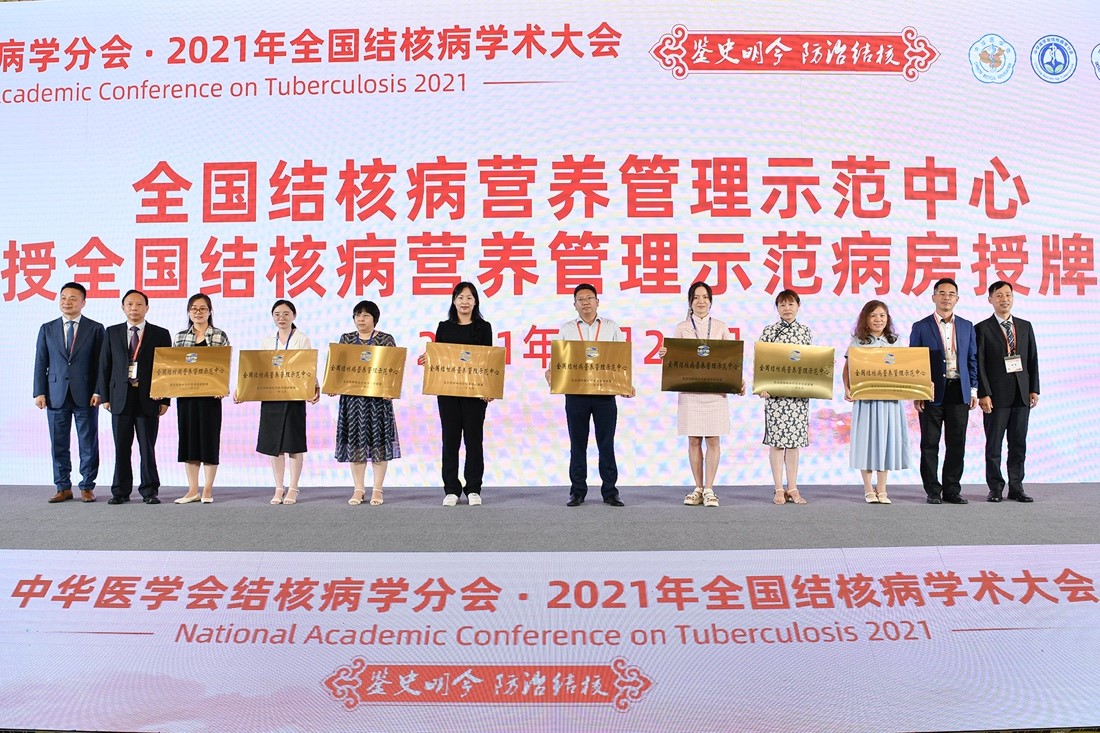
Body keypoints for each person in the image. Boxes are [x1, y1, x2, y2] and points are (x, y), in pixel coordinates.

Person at [546, 283, 634, 507]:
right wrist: (551, 373)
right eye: (581, 299)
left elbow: (621, 360)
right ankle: (577, 491)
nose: (585, 302)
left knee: (606, 443)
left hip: (605, 394)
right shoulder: (566, 329)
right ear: (574, 304)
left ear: (597, 302)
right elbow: (558, 362)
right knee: (578, 444)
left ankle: (610, 492)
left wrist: (626, 384)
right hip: (576, 394)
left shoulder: (611, 327)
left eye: (589, 298)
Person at [657, 281, 738, 508]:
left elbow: (731, 359)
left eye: (705, 297)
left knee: (713, 439)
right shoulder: (682, 327)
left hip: (715, 392)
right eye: (696, 297)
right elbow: (675, 360)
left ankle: (710, 489)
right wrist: (666, 355)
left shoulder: (721, 326)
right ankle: (698, 488)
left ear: (711, 301)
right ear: (690, 302)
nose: (701, 301)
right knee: (693, 440)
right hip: (690, 391)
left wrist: (737, 382)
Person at [96, 289, 172, 505]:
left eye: (139, 304)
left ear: (147, 308)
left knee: (147, 447)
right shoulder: (111, 332)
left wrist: (165, 399)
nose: (134, 308)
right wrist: (105, 397)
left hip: (149, 398)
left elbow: (167, 368)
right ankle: (120, 491)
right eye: (129, 304)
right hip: (119, 398)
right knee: (121, 447)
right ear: (123, 307)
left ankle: (149, 491)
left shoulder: (160, 333)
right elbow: (104, 365)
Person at [420, 282, 493, 507]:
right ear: (454, 301)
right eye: (460, 297)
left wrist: (488, 389)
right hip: (448, 392)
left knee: (474, 441)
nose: (465, 302)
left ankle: (473, 488)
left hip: (475, 394)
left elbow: (488, 360)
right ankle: (451, 489)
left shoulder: (483, 327)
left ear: (475, 301)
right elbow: (439, 357)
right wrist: (429, 358)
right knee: (450, 440)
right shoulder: (444, 327)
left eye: (469, 297)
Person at [34, 282, 105, 503]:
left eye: (73, 298)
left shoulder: (95, 328)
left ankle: (87, 486)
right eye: (63, 298)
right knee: (58, 444)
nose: (67, 302)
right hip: (55, 395)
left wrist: (98, 391)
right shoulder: (47, 328)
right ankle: (63, 486)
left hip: (86, 395)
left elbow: (101, 364)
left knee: (88, 443)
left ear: (83, 303)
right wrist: (39, 392)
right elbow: (41, 362)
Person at [908, 278, 977, 505]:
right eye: (942, 293)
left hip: (959, 390)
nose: (946, 297)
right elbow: (914, 362)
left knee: (957, 443)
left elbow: (972, 359)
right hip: (931, 392)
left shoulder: (967, 326)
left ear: (957, 299)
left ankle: (952, 490)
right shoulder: (921, 326)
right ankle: (932, 490)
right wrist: (918, 392)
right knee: (930, 443)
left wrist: (973, 390)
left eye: (951, 294)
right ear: (934, 297)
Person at [245, 299, 319, 505]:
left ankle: (293, 487)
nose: (281, 318)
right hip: (272, 397)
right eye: (277, 314)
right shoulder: (267, 340)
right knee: (274, 445)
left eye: (286, 314)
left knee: (294, 444)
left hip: (294, 397)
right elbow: (259, 368)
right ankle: (279, 487)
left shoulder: (302, 339)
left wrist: (314, 387)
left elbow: (309, 366)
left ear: (294, 316)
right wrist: (244, 388)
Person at [332, 300, 401, 506]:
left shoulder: (386, 339)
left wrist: (391, 390)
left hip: (378, 402)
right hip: (353, 402)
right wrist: (333, 385)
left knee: (379, 446)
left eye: (366, 315)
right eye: (357, 315)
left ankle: (377, 489)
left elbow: (393, 369)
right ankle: (359, 489)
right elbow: (338, 368)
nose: (361, 319)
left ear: (374, 318)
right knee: (355, 445)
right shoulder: (346, 339)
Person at [842, 300, 911, 504]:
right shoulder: (858, 341)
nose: (878, 319)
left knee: (885, 442)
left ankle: (882, 489)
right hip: (866, 402)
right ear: (865, 319)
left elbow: (905, 368)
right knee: (867, 442)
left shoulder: (895, 341)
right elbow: (847, 369)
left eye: (882, 315)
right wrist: (847, 388)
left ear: (888, 318)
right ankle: (867, 488)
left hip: (890, 402)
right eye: (873, 315)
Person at [976, 281, 1039, 503]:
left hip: (1022, 394)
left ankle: (1016, 487)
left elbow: (1032, 359)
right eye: (999, 295)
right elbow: (979, 364)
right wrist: (983, 393)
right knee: (994, 445)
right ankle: (995, 488)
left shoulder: (1025, 326)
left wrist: (1034, 389)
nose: (1005, 299)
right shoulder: (982, 328)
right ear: (990, 300)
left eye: (1008, 295)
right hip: (995, 397)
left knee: (1018, 444)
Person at [172, 294, 230, 504]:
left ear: (209, 311)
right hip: (186, 397)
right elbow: (173, 367)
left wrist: (222, 387)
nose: (198, 312)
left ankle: (207, 489)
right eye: (194, 308)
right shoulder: (180, 337)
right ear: (189, 312)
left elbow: (224, 365)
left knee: (209, 441)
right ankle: (192, 490)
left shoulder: (219, 335)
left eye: (202, 308)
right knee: (189, 442)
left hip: (210, 397)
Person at [757, 289, 812, 505]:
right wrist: (762, 386)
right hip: (776, 396)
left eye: (791, 304)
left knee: (794, 443)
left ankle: (793, 487)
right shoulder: (770, 331)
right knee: (777, 443)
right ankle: (779, 488)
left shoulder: (805, 332)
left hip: (798, 396)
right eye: (782, 305)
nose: (787, 308)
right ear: (777, 308)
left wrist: (825, 365)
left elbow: (810, 362)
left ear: (798, 306)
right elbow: (761, 361)